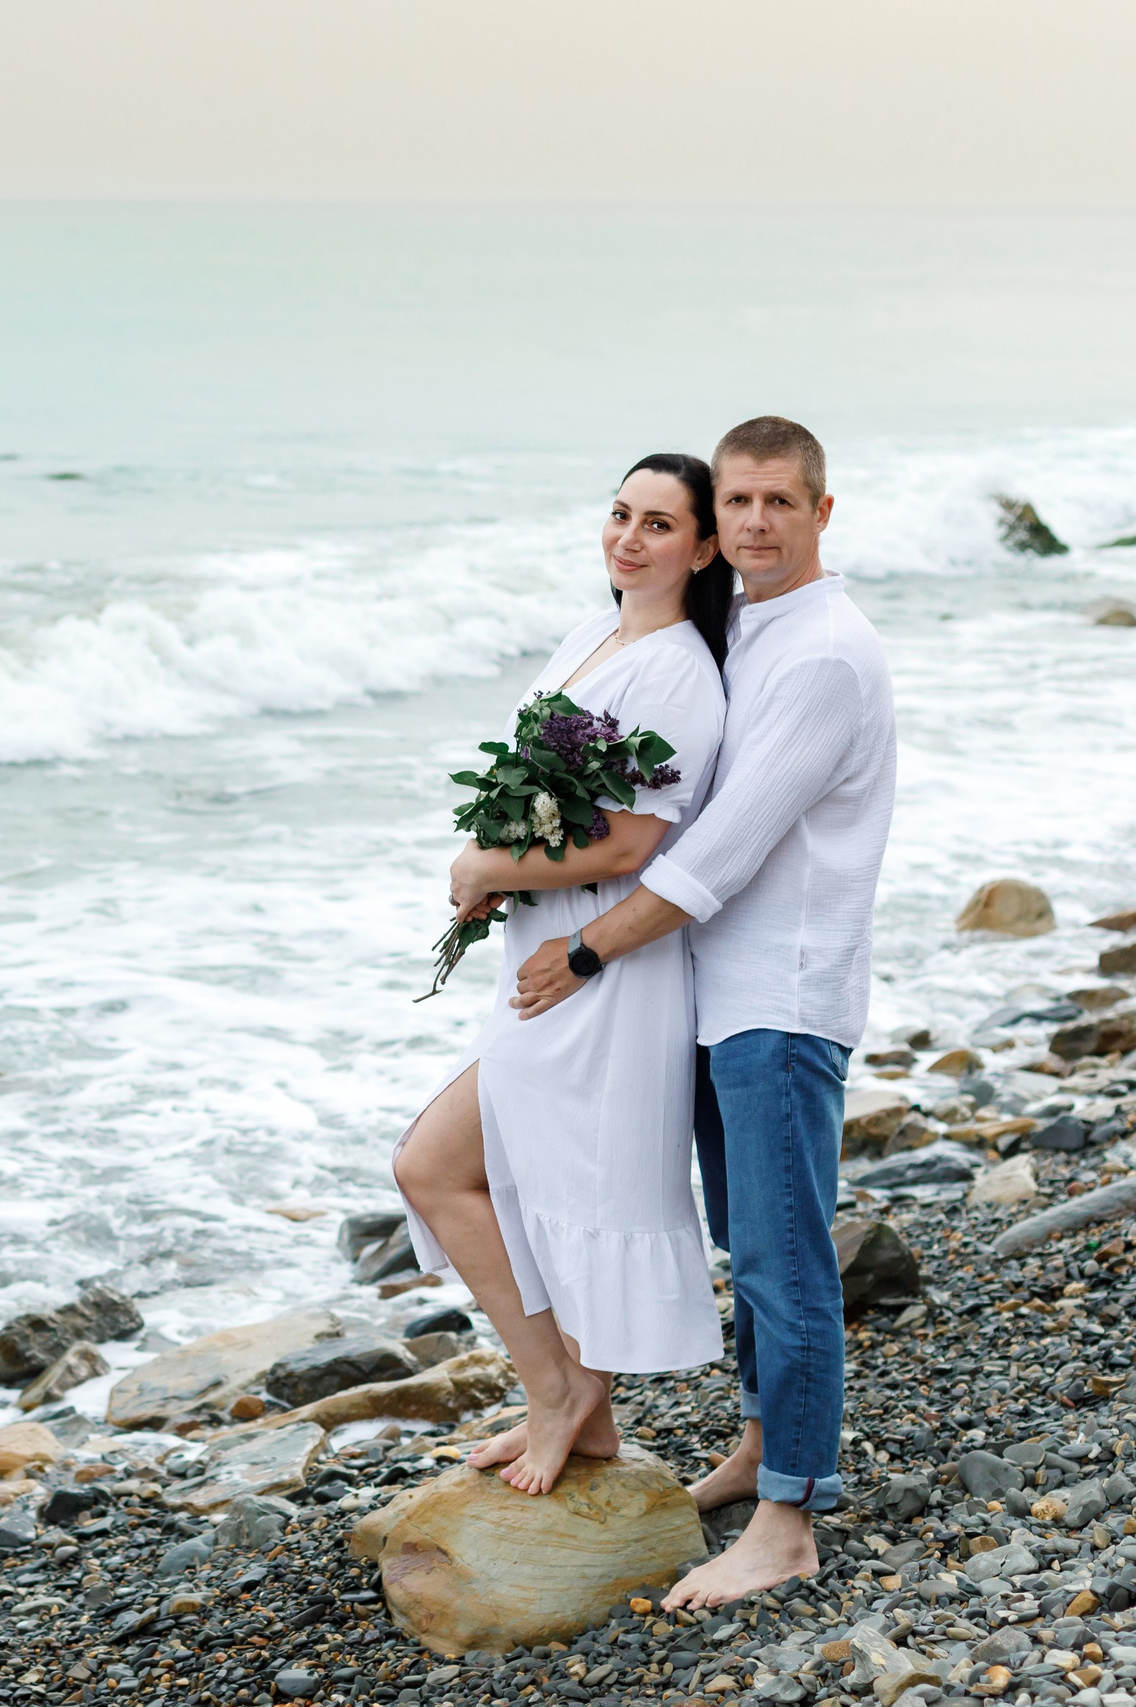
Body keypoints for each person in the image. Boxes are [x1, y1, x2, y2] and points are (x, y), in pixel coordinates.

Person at [510, 416, 896, 1606]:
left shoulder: (822, 654)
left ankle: (789, 1519)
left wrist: (585, 950)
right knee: (747, 1239)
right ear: (716, 522)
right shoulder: (748, 627)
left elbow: (720, 849)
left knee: (783, 1260)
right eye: (737, 502)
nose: (756, 522)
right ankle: (759, 1447)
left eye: (780, 501)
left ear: (820, 511)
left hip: (779, 995)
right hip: (715, 993)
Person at [391, 453, 736, 1497]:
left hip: (601, 969)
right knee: (527, 1172)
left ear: (704, 549)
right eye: (621, 513)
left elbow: (632, 839)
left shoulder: (679, 672)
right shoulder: (593, 633)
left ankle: (557, 1390)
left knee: (441, 1166)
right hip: (543, 953)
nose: (629, 537)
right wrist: (501, 870)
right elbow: (553, 800)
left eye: (659, 524)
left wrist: (489, 863)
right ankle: (584, 1412)